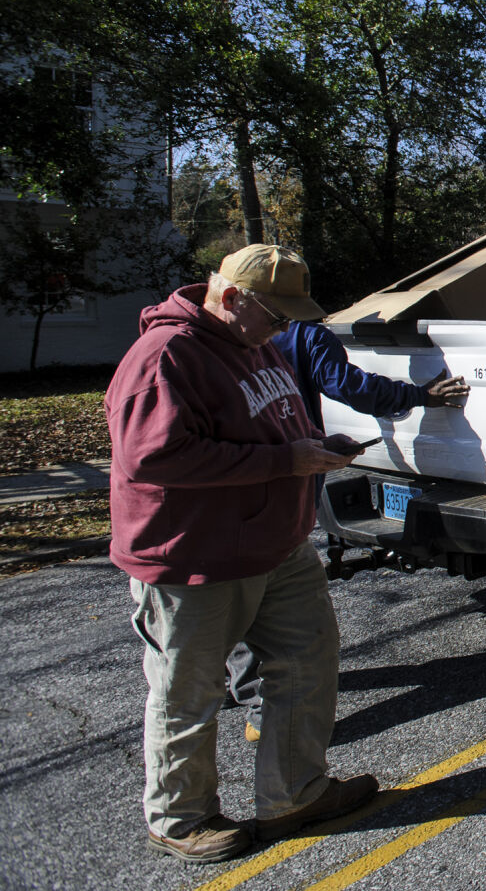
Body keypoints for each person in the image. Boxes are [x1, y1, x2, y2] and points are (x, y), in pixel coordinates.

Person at [106, 245, 378, 865]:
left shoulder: (254, 345)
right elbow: (155, 457)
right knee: (188, 692)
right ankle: (181, 818)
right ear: (230, 298)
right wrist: (288, 461)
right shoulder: (165, 357)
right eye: (279, 317)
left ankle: (293, 795)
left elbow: (266, 422)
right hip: (193, 558)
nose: (288, 330)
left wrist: (312, 443)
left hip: (275, 548)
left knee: (307, 662)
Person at [226, 322, 470, 742]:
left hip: (227, 492)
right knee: (272, 606)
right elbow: (347, 385)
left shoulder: (206, 342)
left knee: (230, 590)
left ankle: (232, 684)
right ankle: (266, 712)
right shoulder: (302, 335)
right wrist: (417, 395)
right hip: (279, 487)